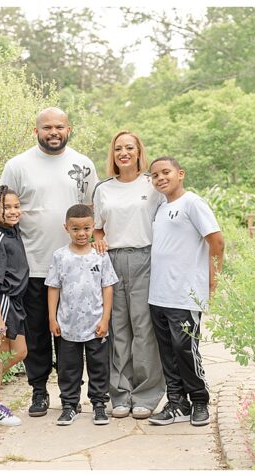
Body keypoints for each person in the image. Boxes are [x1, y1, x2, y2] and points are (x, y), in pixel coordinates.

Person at [0, 107, 98, 417]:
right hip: (32, 264)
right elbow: (1, 210)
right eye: (47, 128)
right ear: (35, 131)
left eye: (59, 127)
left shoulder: (83, 164)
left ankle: (72, 396)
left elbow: (95, 209)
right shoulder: (17, 166)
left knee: (72, 334)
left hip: (76, 266)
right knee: (38, 332)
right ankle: (39, 391)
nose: (53, 132)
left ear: (68, 129)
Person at [91, 131, 167, 419]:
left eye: (129, 148)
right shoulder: (103, 189)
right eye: (118, 148)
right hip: (112, 260)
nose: (124, 153)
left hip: (145, 258)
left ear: (138, 152)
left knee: (144, 328)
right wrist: (98, 240)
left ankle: (146, 395)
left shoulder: (152, 184)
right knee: (117, 329)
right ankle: (120, 393)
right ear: (113, 154)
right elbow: (98, 227)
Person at [145, 157, 225, 427]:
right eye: (155, 175)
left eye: (165, 172)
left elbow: (216, 240)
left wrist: (214, 279)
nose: (160, 178)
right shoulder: (159, 208)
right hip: (158, 293)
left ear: (180, 174)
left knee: (185, 348)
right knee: (167, 351)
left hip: (185, 293)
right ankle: (177, 402)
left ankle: (199, 400)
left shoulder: (193, 203)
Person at [46, 204, 119, 426]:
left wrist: (105, 318)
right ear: (66, 228)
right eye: (75, 229)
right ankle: (69, 405)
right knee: (68, 368)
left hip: (96, 324)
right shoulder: (60, 256)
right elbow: (53, 287)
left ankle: (98, 405)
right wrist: (52, 317)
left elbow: (108, 287)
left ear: (93, 227)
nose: (81, 233)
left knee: (99, 366)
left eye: (86, 228)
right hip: (68, 324)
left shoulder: (100, 255)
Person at [0, 186, 29, 426]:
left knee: (21, 352)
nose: (13, 211)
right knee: (0, 354)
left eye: (16, 206)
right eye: (6, 207)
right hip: (3, 303)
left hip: (16, 302)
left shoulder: (12, 230)